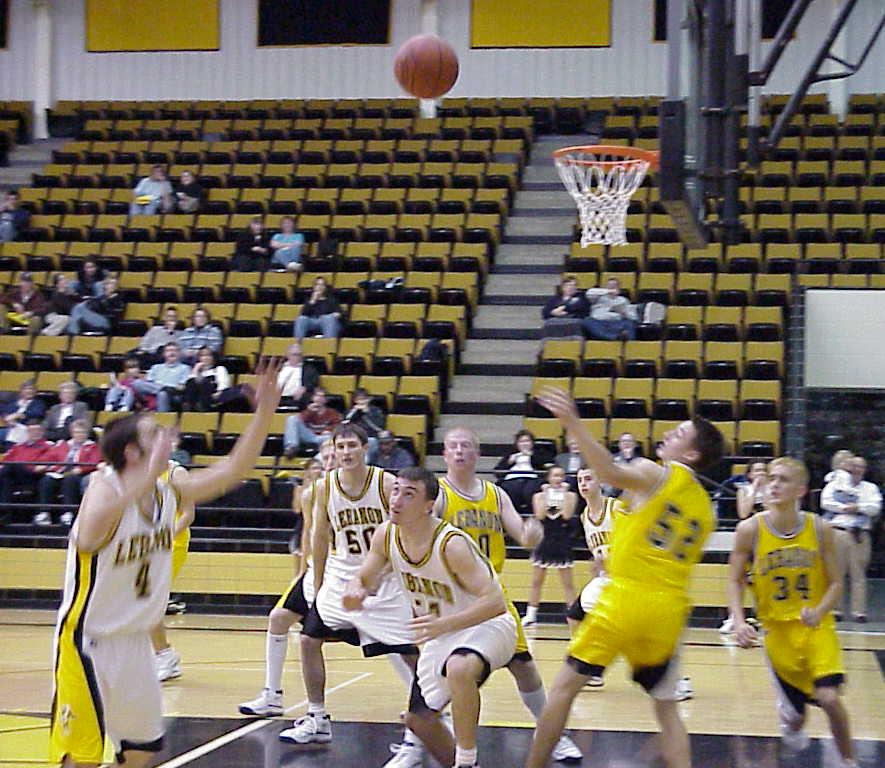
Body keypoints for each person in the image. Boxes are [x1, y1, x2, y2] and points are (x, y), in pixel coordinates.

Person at [48, 360, 283, 767]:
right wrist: (145, 477)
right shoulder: (105, 486)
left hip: (135, 643)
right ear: (132, 452)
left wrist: (264, 413)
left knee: (142, 752)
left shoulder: (168, 488)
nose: (167, 436)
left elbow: (232, 470)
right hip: (88, 642)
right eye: (154, 434)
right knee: (82, 759)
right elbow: (88, 536)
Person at [524, 387, 724, 768]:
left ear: (692, 455)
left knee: (563, 690)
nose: (669, 434)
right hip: (668, 612)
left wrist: (573, 424)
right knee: (667, 710)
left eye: (680, 434)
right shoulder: (705, 508)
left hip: (626, 599)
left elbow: (609, 472)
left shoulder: (656, 472)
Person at [344, 467, 517, 768]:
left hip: (487, 625)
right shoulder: (386, 535)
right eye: (395, 490)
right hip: (442, 633)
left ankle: (467, 761)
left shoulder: (451, 544)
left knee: (459, 668)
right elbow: (365, 577)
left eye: (408, 494)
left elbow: (496, 602)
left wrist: (444, 624)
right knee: (418, 720)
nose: (397, 500)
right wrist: (355, 589)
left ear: (428, 505)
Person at [436, 426, 582, 763]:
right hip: (452, 598)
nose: (459, 451)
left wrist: (532, 533)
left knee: (525, 668)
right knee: (442, 678)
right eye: (453, 446)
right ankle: (418, 742)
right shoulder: (439, 495)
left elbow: (521, 533)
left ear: (477, 453)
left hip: (492, 596)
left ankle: (552, 735)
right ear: (444, 454)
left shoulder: (495, 494)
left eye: (466, 446)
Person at [282, 423, 424, 768]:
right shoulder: (324, 486)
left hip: (384, 580)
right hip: (342, 575)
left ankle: (423, 727)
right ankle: (317, 718)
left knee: (412, 655)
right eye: (340, 446)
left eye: (351, 445)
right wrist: (316, 584)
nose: (345, 452)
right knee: (308, 639)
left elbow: (411, 527)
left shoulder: (386, 483)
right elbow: (319, 536)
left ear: (365, 448)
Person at [728, 457, 858, 767]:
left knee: (829, 698)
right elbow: (734, 580)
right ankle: (791, 718)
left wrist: (820, 610)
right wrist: (738, 621)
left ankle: (849, 761)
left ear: (800, 490)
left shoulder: (819, 528)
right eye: (771, 478)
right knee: (796, 719)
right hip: (777, 632)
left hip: (816, 627)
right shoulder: (750, 529)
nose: (773, 484)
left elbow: (837, 583)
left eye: (783, 479)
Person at [238, 441, 335, 718]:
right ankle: (272, 695)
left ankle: (426, 705)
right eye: (326, 457)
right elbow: (307, 535)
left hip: (344, 573)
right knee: (278, 618)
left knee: (388, 641)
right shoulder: (313, 492)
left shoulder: (356, 492)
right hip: (316, 569)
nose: (330, 461)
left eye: (334, 456)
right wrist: (302, 572)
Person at [565, 467, 620, 687]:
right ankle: (590, 668)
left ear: (600, 482)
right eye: (580, 480)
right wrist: (596, 563)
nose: (583, 484)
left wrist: (613, 557)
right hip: (605, 577)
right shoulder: (584, 516)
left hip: (625, 576)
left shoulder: (615, 507)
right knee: (575, 615)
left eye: (588, 479)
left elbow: (633, 538)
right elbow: (597, 550)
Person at [151, 450, 195, 683]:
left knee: (149, 600)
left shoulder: (177, 474)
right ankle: (161, 654)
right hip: (147, 542)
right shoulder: (142, 471)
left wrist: (168, 535)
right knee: (141, 601)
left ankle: (165, 655)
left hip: (172, 543)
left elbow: (188, 514)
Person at [821, 455, 882, 623]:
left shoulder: (870, 488)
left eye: (860, 466)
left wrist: (858, 507)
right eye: (853, 466)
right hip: (838, 532)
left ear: (864, 470)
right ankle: (835, 609)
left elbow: (875, 507)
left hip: (859, 534)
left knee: (859, 574)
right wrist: (844, 508)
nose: (856, 469)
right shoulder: (834, 485)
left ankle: (859, 612)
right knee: (836, 573)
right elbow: (826, 502)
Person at [522, 466, 579, 628]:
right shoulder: (539, 496)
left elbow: (567, 515)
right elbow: (540, 515)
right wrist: (547, 494)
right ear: (548, 478)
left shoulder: (571, 495)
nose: (558, 479)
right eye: (555, 476)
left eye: (561, 476)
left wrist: (564, 493)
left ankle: (574, 615)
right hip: (544, 539)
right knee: (536, 581)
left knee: (568, 583)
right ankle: (531, 615)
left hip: (561, 539)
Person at [35, 419, 101, 526]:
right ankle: (44, 513)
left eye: (82, 432)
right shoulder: (62, 444)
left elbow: (94, 462)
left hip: (80, 474)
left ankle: (68, 512)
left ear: (87, 434)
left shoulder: (93, 447)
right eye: (77, 432)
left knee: (69, 480)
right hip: (60, 473)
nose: (79, 435)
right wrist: (45, 465)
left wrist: (81, 469)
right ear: (72, 433)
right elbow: (49, 457)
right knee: (46, 480)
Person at [0, 420, 52, 521]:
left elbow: (42, 466)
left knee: (13, 466)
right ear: (27, 432)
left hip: (33, 476)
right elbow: (5, 462)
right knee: (6, 479)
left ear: (42, 432)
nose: (35, 433)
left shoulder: (47, 446)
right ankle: (4, 514)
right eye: (31, 431)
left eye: (37, 430)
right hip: (13, 476)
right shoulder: (18, 447)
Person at [494, 429, 551, 516]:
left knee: (530, 490)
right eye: (521, 441)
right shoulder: (510, 455)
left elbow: (544, 467)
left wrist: (531, 456)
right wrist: (509, 462)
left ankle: (530, 515)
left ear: (532, 443)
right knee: (508, 490)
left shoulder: (539, 454)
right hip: (512, 479)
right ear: (517, 444)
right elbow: (498, 472)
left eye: (527, 441)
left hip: (532, 479)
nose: (524, 444)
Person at [182, 346, 255, 413]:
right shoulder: (195, 372)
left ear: (213, 357)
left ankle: (201, 406)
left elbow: (223, 385)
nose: (206, 358)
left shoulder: (219, 369)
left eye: (208, 355)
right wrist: (196, 369)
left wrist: (218, 392)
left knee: (204, 382)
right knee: (192, 382)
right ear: (199, 358)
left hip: (214, 396)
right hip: (197, 397)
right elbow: (188, 386)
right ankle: (190, 407)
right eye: (203, 356)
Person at [132, 342, 191, 413]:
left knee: (163, 394)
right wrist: (162, 388)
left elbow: (182, 387)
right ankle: (164, 388)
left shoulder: (185, 368)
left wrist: (170, 389)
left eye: (175, 350)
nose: (172, 353)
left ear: (179, 353)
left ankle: (162, 416)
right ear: (164, 354)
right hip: (155, 392)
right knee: (136, 382)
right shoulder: (156, 367)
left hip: (174, 395)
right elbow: (148, 383)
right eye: (168, 351)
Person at [282, 387, 341, 458]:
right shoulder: (308, 410)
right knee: (292, 418)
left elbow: (337, 425)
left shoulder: (332, 413)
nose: (318, 398)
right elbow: (299, 423)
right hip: (309, 436)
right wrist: (309, 412)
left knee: (332, 438)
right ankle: (291, 447)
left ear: (326, 399)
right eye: (316, 395)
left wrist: (329, 430)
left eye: (321, 396)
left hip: (323, 438)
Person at [583, 277, 637, 341]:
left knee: (630, 324)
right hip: (599, 322)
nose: (612, 287)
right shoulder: (598, 297)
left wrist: (623, 313)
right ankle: (615, 337)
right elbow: (589, 292)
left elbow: (634, 317)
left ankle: (625, 340)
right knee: (587, 321)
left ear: (619, 289)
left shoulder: (624, 300)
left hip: (616, 323)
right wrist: (609, 291)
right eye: (610, 285)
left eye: (615, 285)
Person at [0, 379, 46, 447]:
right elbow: (5, 411)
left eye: (32, 389)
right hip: (10, 427)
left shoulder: (38, 403)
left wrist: (19, 415)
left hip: (25, 428)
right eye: (26, 389)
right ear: (21, 391)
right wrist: (7, 418)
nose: (29, 391)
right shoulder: (15, 402)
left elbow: (37, 413)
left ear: (35, 391)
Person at [294, 276, 342, 341]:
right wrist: (313, 300)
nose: (319, 287)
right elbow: (303, 314)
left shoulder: (331, 300)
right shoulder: (309, 300)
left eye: (322, 285)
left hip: (328, 322)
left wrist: (330, 316)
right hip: (313, 322)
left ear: (325, 287)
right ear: (314, 287)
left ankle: (328, 344)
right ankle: (297, 343)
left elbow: (339, 313)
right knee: (301, 319)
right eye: (317, 285)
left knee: (327, 318)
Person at [276, 342, 320, 410]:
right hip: (278, 398)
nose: (297, 357)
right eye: (294, 354)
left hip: (298, 399)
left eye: (299, 355)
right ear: (288, 355)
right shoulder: (279, 367)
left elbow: (314, 382)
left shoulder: (309, 369)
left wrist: (304, 388)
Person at [603, 431, 641, 497]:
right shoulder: (612, 460)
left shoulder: (641, 462)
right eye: (623, 441)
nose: (626, 443)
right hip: (614, 495)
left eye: (629, 441)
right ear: (619, 445)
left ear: (635, 444)